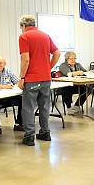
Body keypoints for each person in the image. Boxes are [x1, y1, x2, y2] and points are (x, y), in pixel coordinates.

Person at [17, 14, 61, 146]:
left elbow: (25, 59)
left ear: (23, 26)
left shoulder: (24, 37)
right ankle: (45, 132)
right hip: (46, 78)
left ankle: (29, 136)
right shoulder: (45, 35)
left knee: (29, 108)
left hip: (31, 79)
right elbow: (57, 53)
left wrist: (22, 77)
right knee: (44, 106)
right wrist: (48, 67)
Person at [0, 56, 24, 137]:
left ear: (4, 64)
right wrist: (6, 86)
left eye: (1, 63)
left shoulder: (8, 71)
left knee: (23, 100)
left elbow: (17, 82)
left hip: (8, 97)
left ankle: (19, 124)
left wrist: (17, 84)